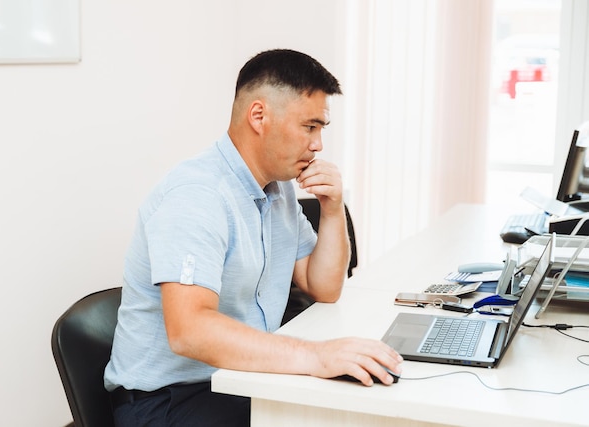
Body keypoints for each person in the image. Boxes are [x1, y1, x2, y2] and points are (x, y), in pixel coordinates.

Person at [104, 48, 403, 427]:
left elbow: (323, 285)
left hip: (237, 379)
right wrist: (315, 357)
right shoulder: (197, 195)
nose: (318, 145)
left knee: (356, 408)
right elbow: (189, 331)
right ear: (258, 116)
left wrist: (332, 207)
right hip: (169, 400)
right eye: (309, 127)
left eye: (320, 129)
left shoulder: (279, 190)